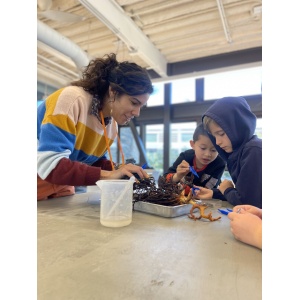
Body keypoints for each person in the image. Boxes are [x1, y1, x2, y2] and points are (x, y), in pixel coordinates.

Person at [37, 53, 154, 201]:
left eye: (141, 106)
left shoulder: (112, 126)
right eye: (134, 102)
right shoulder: (72, 100)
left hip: (62, 183)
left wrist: (121, 170)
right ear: (113, 92)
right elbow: (50, 164)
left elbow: (93, 162)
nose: (137, 113)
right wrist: (110, 175)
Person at [193, 96, 262, 208]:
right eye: (214, 136)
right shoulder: (239, 153)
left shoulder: (253, 150)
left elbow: (248, 203)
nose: (218, 142)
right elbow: (246, 195)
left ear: (238, 127)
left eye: (221, 134)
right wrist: (214, 193)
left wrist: (227, 189)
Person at [164, 123, 226, 198]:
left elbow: (210, 190)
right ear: (193, 144)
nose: (207, 154)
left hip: (202, 200)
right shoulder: (185, 157)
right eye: (203, 148)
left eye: (214, 150)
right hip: (178, 198)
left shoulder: (219, 164)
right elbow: (163, 181)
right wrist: (177, 176)